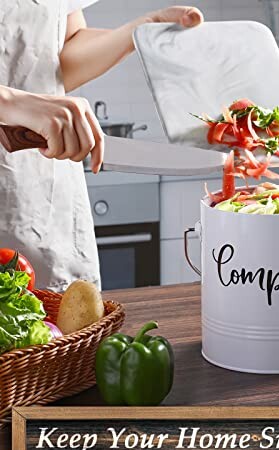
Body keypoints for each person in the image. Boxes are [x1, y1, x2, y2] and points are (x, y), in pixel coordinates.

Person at [0, 1, 203, 291]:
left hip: (45, 196)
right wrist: (9, 102)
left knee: (65, 326)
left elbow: (60, 57)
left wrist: (137, 31)